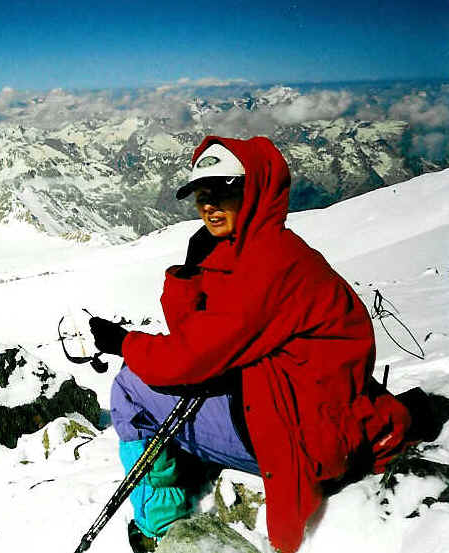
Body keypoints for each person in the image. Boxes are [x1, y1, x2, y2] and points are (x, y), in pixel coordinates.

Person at [89, 135, 412, 553]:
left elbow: (189, 357)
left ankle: (159, 526)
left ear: (255, 190)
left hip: (298, 437)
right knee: (154, 378)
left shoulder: (270, 263)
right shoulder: (255, 251)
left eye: (224, 192)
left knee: (130, 387)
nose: (209, 205)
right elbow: (201, 336)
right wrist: (191, 272)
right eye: (202, 196)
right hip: (299, 411)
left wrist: (123, 342)